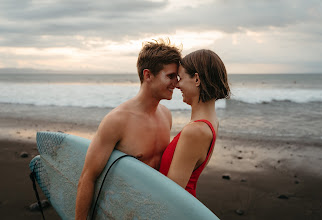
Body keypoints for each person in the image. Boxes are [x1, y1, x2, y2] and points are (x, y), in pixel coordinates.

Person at [75, 39, 181, 219]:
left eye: (177, 77)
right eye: (170, 76)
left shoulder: (166, 116)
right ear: (148, 75)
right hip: (120, 212)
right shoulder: (117, 120)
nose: (176, 83)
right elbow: (88, 177)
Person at [159, 49, 230, 197]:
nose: (177, 85)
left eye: (181, 77)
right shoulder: (212, 122)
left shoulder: (196, 131)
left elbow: (170, 195)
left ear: (197, 79)